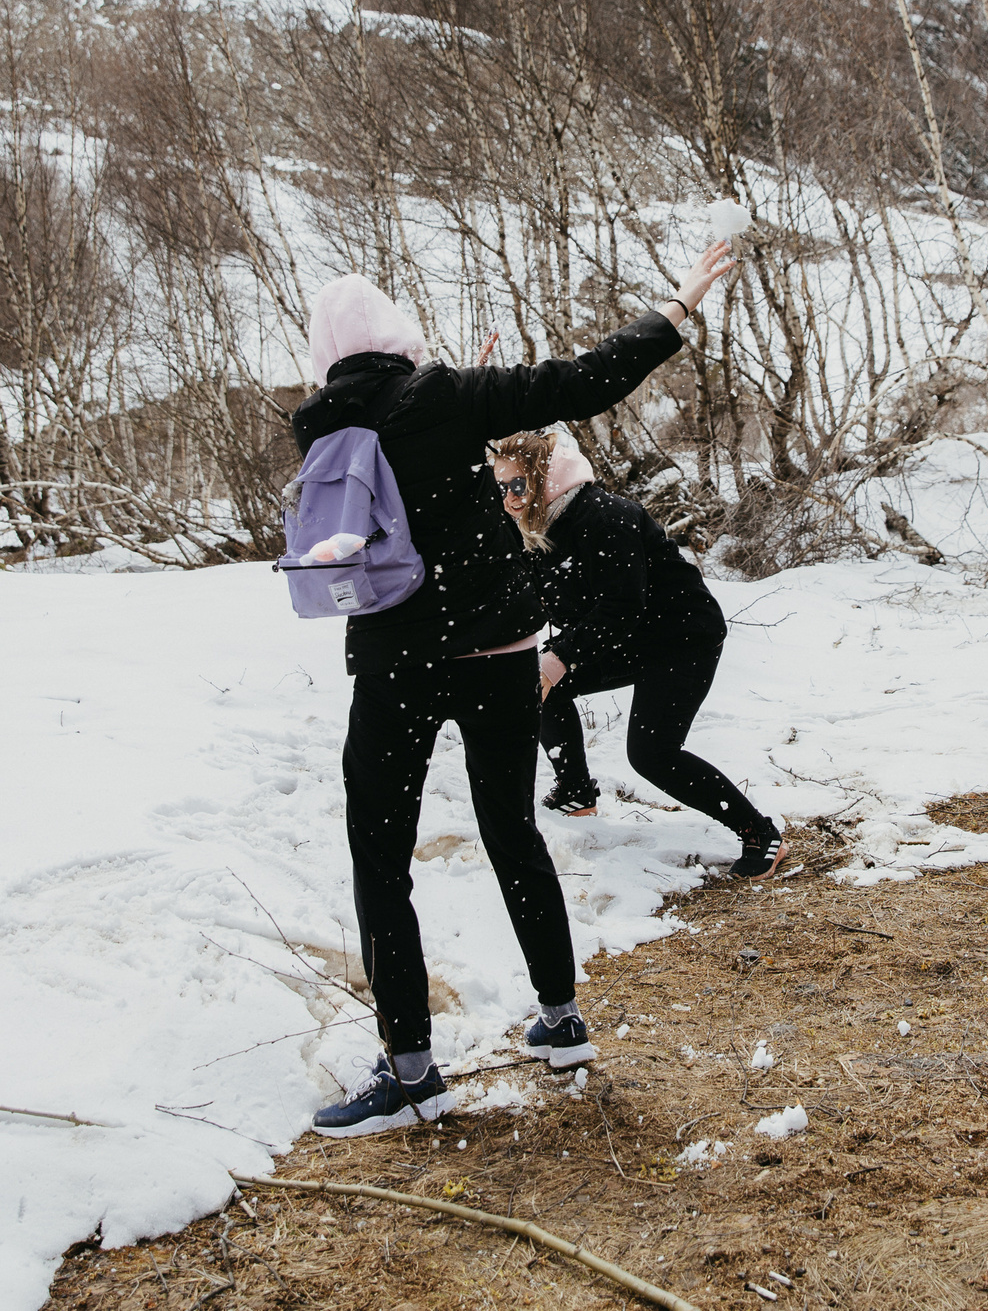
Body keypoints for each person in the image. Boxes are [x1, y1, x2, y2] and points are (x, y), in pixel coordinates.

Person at [293, 242, 735, 1137]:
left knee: (380, 859)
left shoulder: (323, 429)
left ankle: (412, 1070)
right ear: (398, 334)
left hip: (395, 663)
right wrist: (678, 308)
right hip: (499, 653)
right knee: (512, 825)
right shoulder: (453, 395)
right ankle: (560, 1018)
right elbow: (585, 380)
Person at [485, 428, 786, 879]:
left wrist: (558, 656)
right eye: (501, 487)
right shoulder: (531, 524)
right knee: (538, 685)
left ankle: (759, 832)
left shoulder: (603, 517)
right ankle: (575, 790)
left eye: (517, 485)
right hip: (623, 636)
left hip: (679, 636)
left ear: (543, 479)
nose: (508, 497)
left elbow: (622, 606)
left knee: (652, 754)